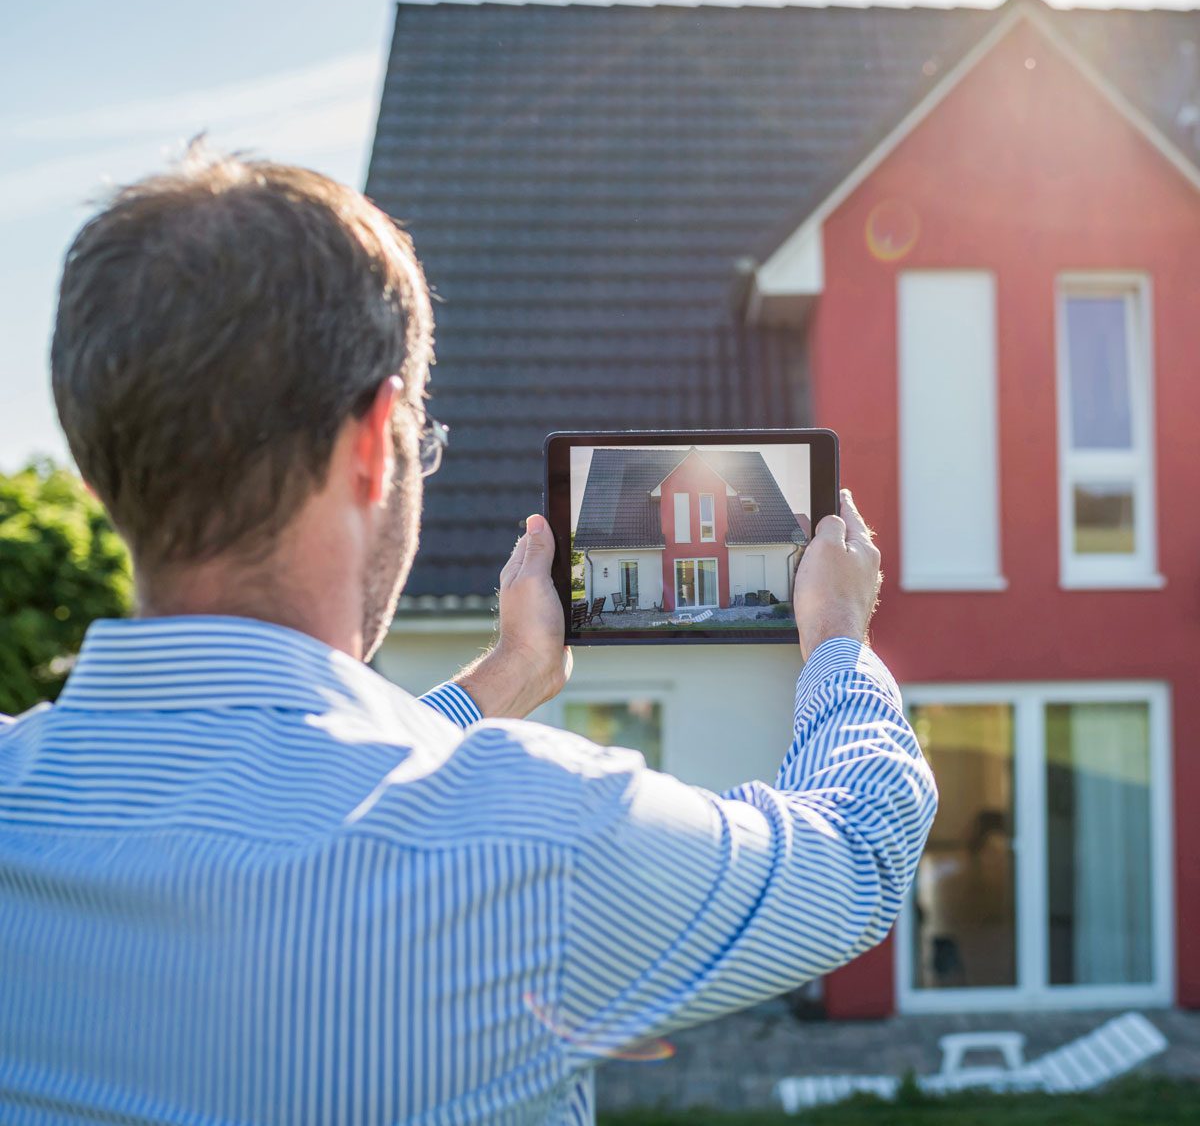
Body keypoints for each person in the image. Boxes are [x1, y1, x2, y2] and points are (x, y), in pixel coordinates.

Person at [0, 145, 937, 1125]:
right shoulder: (548, 838)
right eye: (424, 448)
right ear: (374, 447)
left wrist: (503, 677)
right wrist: (836, 634)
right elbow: (863, 853)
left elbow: (290, 792)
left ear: (99, 477)